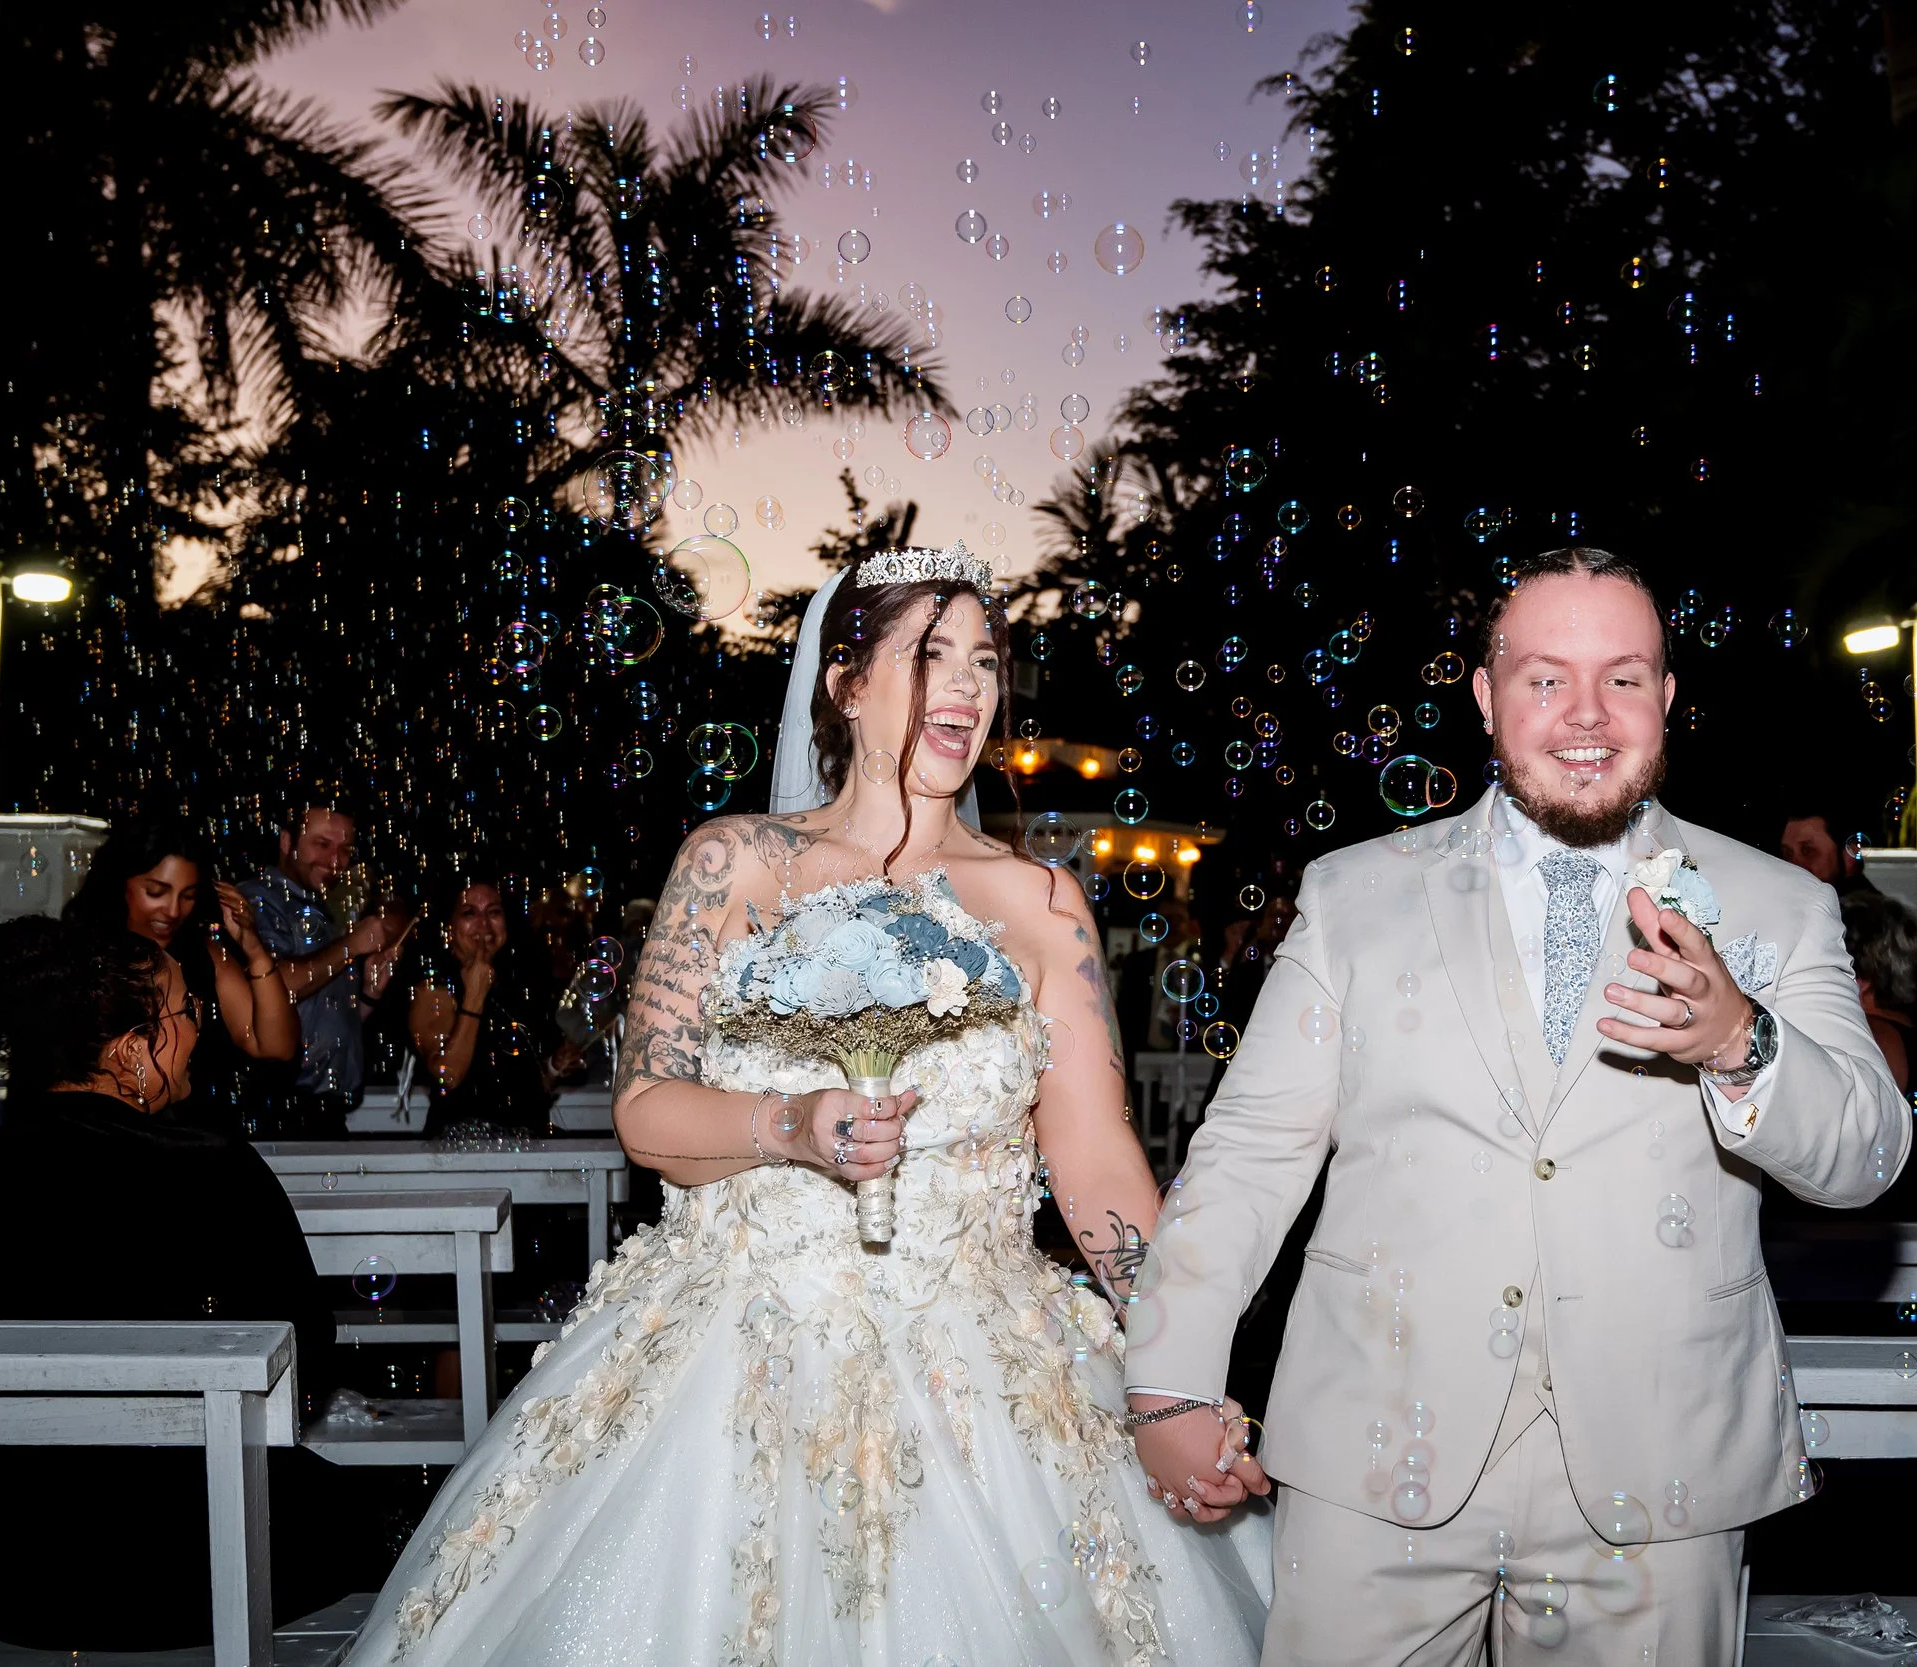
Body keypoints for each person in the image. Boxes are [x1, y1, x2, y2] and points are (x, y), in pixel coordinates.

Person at [343, 546, 1269, 1667]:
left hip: (983, 1351)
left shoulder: (1041, 902)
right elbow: (645, 1109)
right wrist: (789, 1128)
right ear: (844, 681)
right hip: (739, 1337)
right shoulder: (732, 861)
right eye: (930, 656)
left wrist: (1177, 1371)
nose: (969, 688)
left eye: (985, 660)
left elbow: (1097, 1160)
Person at [1126, 546, 1911, 1664]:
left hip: (1663, 1462)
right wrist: (1167, 1382)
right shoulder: (1355, 893)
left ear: (1667, 696)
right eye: (1545, 677)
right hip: (1370, 1449)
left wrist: (1741, 1040)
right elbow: (1250, 1154)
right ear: (1488, 697)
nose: (1586, 713)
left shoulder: (1774, 905)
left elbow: (1868, 1154)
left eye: (1623, 676)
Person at [0, 916, 337, 1652]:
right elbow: (307, 1370)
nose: (200, 1028)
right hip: (206, 1567)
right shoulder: (219, 1168)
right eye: (187, 1010)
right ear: (132, 1050)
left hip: (16, 1576)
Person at [64, 817, 300, 1134]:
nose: (173, 911)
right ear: (120, 883)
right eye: (156, 892)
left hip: (192, 1146)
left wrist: (254, 948)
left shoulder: (206, 957)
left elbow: (275, 1046)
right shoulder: (78, 960)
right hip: (101, 1143)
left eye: (187, 895)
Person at [1768, 889, 1917, 1223]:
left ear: (1855, 978)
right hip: (1891, 1233)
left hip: (1870, 1239)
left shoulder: (1876, 1037)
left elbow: (1846, 1131)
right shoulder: (1900, 1029)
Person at [239, 802, 412, 1136]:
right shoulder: (257, 900)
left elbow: (321, 1018)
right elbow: (274, 987)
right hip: (278, 1112)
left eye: (346, 850)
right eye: (322, 844)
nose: (337, 861)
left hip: (324, 1113)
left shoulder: (322, 912)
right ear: (287, 842)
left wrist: (368, 995)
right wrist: (351, 945)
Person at [406, 877, 584, 1140]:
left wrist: (553, 1068)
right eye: (469, 913)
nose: (484, 924)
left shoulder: (517, 984)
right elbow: (448, 1077)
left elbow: (518, 1088)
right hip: (462, 1150)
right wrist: (474, 996)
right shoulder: (434, 990)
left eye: (494, 912)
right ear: (448, 927)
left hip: (524, 1144)